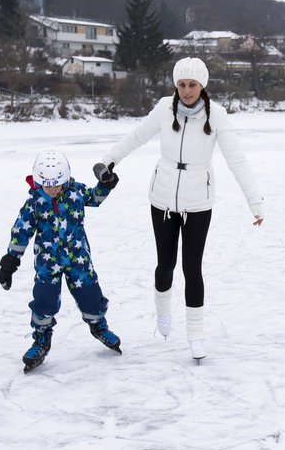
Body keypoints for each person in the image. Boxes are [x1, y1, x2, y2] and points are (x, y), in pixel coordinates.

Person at [95, 57, 263, 361]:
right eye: (182, 85)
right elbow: (136, 136)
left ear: (202, 85)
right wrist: (108, 160)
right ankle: (163, 313)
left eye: (193, 85)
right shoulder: (164, 108)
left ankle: (196, 334)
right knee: (165, 266)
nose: (187, 91)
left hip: (198, 202)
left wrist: (255, 201)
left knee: (192, 268)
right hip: (162, 199)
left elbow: (236, 160)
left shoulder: (218, 117)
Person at [0, 149, 123, 373]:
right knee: (44, 303)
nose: (53, 189)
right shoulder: (34, 203)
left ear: (65, 180)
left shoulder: (75, 193)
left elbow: (95, 197)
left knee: (91, 299)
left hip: (79, 261)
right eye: (47, 185)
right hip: (48, 265)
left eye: (57, 184)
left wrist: (107, 183)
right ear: (38, 182)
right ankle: (41, 339)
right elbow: (21, 231)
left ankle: (98, 327)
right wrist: (10, 260)